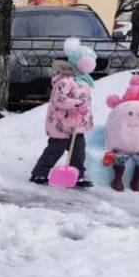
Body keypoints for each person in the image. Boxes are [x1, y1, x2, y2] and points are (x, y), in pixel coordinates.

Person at [29, 37, 96, 188]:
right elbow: (59, 99)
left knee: (78, 152)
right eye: (87, 62)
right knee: (55, 149)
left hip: (78, 124)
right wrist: (76, 104)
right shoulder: (65, 80)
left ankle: (77, 175)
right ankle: (39, 173)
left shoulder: (84, 80)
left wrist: (85, 115)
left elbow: (86, 101)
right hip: (61, 122)